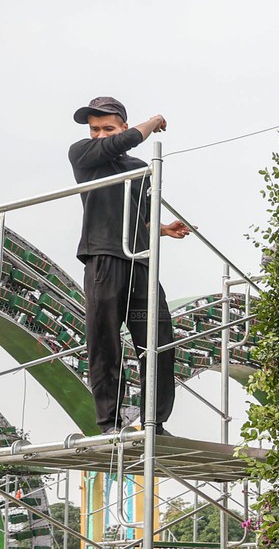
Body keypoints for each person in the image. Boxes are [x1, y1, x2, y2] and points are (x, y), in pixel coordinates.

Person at [69, 96, 191, 435]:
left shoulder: (139, 169)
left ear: (123, 125)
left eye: (108, 128)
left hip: (138, 264)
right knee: (104, 340)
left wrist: (162, 229)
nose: (101, 135)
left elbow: (142, 219)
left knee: (157, 336)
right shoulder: (83, 155)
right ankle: (110, 422)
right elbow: (120, 143)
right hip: (103, 260)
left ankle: (154, 420)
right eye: (95, 129)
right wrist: (152, 123)